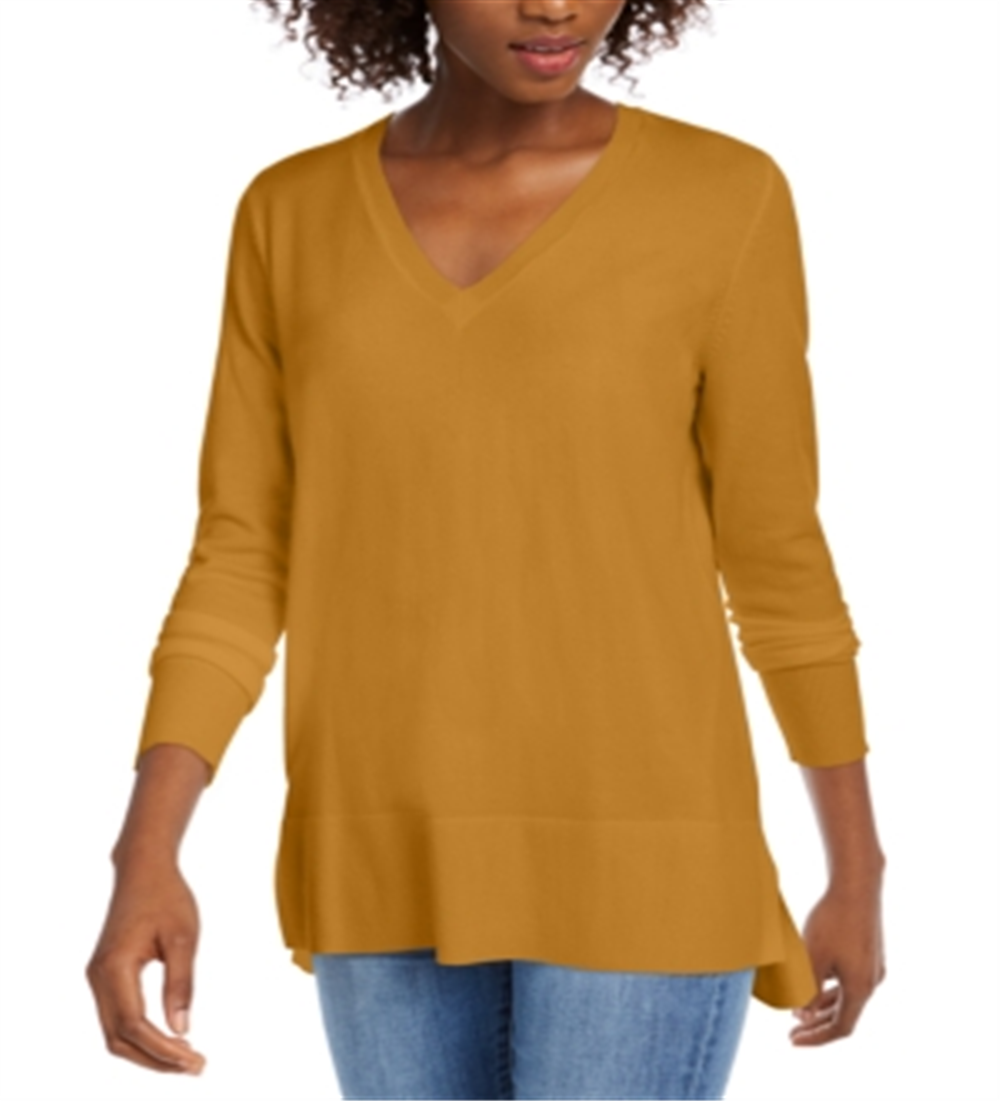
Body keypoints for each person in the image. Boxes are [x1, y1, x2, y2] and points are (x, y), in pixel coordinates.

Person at [86, 0, 887, 1095]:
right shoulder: (290, 212)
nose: (555, 6)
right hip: (378, 854)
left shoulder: (723, 196)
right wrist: (146, 850)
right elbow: (241, 556)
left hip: (647, 850)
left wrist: (857, 867)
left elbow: (776, 556)